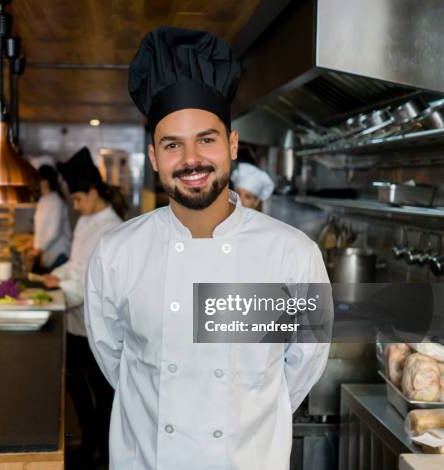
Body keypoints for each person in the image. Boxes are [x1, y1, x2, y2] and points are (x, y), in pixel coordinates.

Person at [84, 27, 331, 470]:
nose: (191, 159)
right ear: (155, 157)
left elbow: (300, 368)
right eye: (172, 144)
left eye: (207, 139)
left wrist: (246, 424)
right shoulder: (116, 253)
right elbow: (114, 359)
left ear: (232, 146)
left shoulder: (292, 256)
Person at [40, 147, 123, 467]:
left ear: (91, 191)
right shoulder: (88, 219)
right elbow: (76, 267)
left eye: (77, 199)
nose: (75, 206)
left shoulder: (108, 226)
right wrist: (55, 277)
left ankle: (100, 450)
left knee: (101, 393)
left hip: (97, 326)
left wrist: (57, 286)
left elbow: (90, 282)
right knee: (77, 386)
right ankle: (90, 443)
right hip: (77, 322)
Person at [28, 164, 71, 272]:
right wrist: (34, 243)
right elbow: (40, 229)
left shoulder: (56, 201)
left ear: (45, 182)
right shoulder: (43, 200)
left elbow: (53, 232)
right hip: (47, 254)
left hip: (59, 255)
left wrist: (38, 249)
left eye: (37, 180)